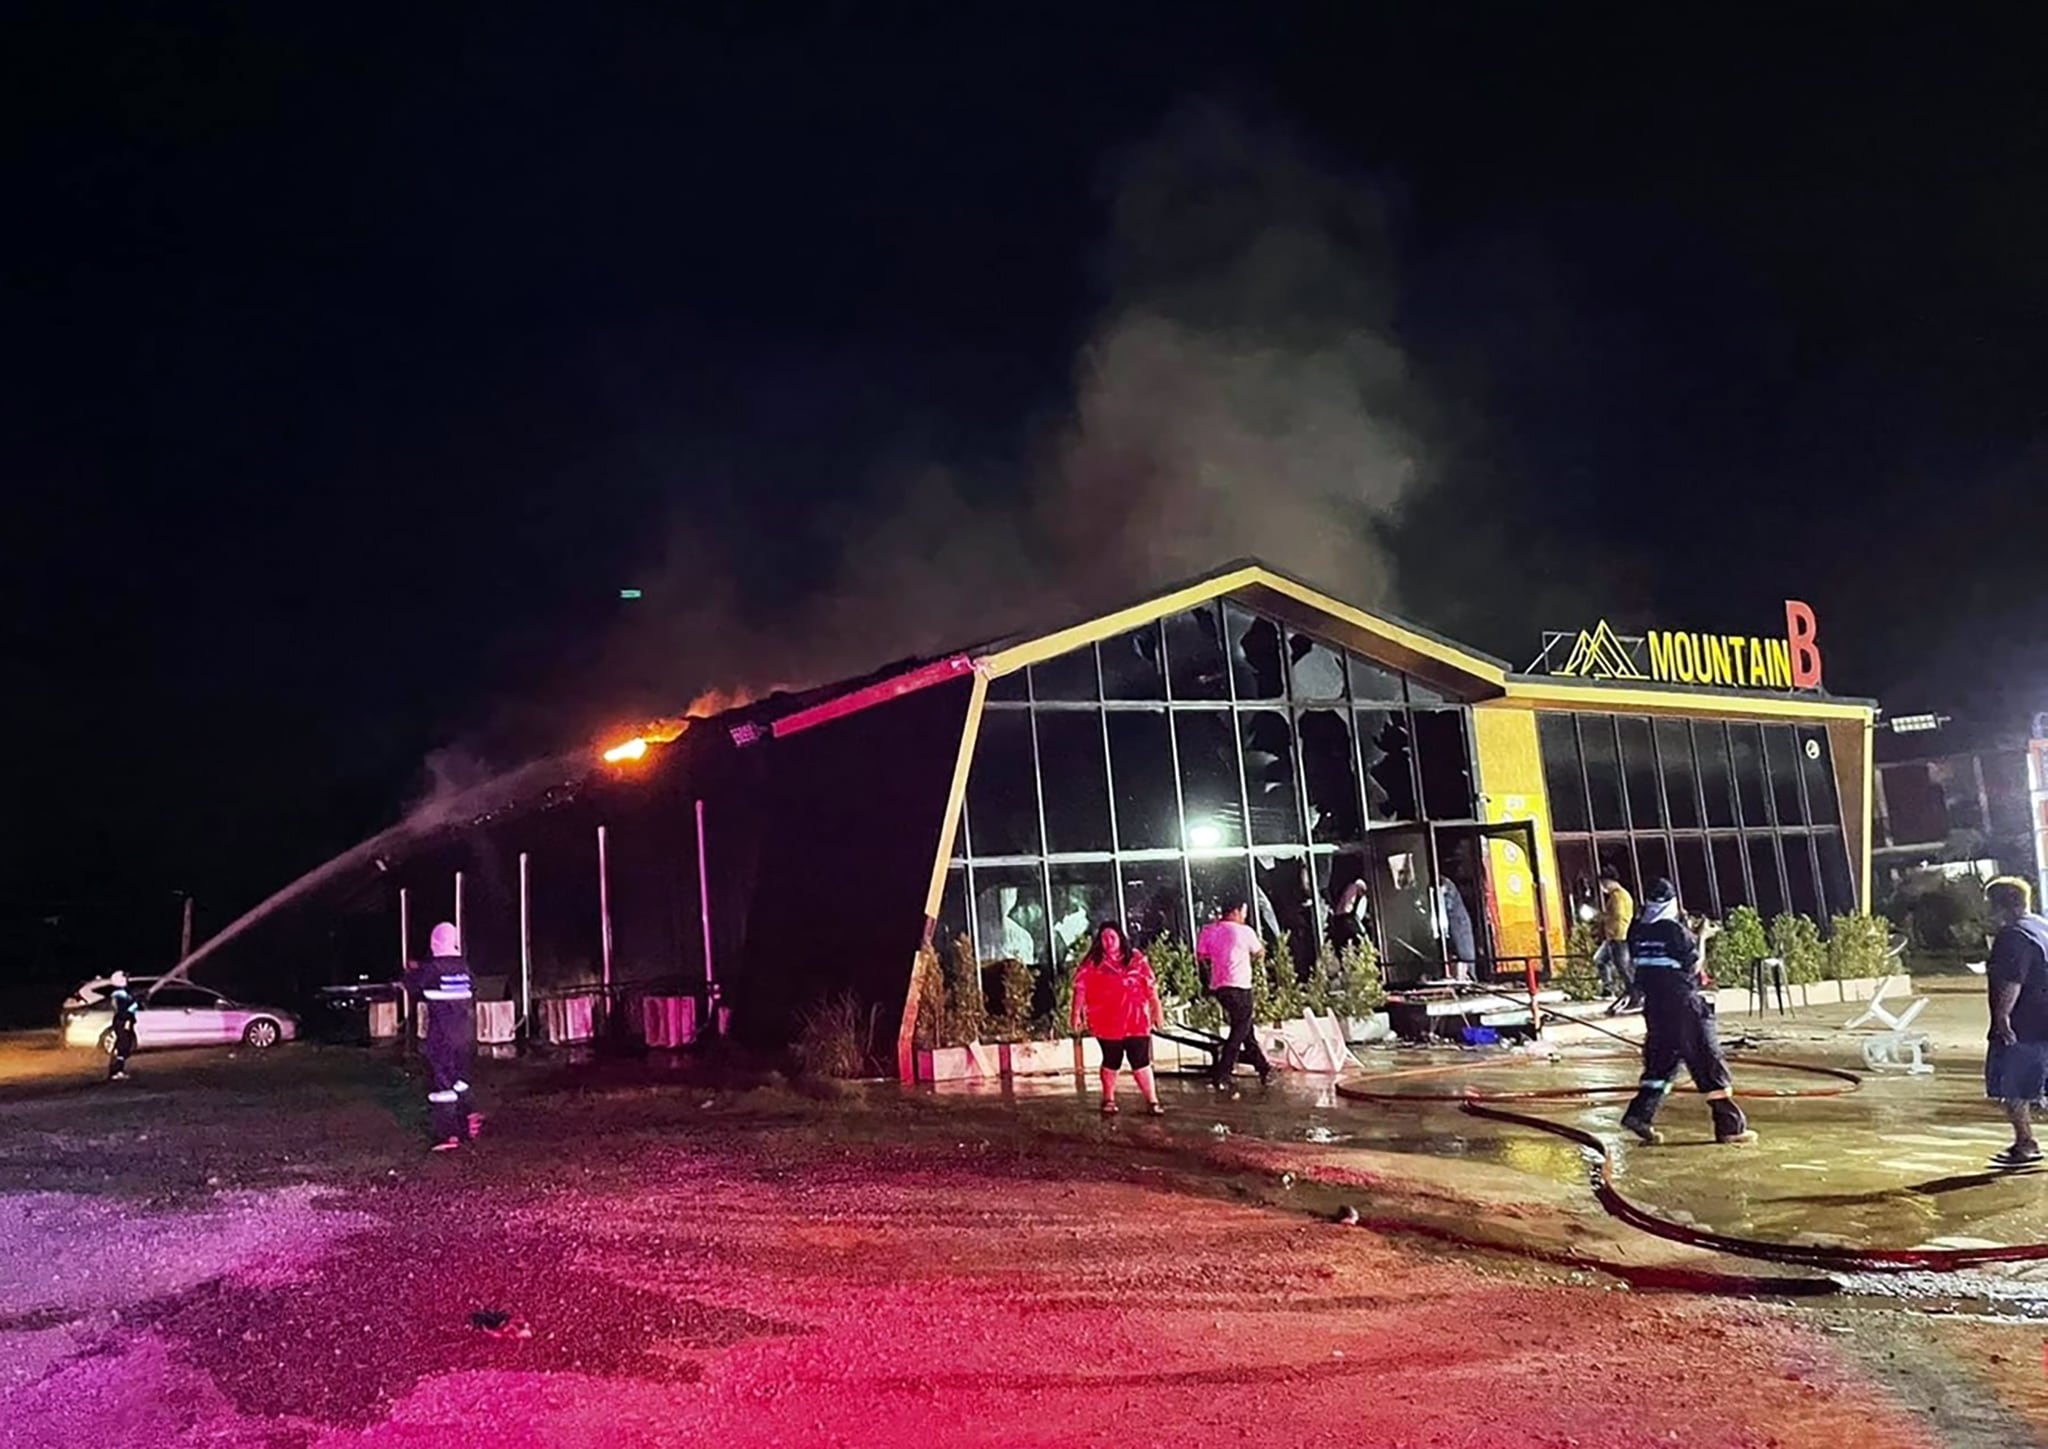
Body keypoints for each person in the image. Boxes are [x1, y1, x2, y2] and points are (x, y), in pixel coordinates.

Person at [1617, 879, 1756, 1146]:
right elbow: (1693, 966)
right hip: (1683, 1006)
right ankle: (1730, 1127)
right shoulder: (1675, 931)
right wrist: (1701, 936)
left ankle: (1640, 1115)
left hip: (1655, 1007)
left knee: (1661, 1064)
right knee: (1708, 1061)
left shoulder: (1638, 930)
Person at [1981, 877, 2048, 1169]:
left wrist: (2002, 1018)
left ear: (2001, 905)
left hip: (2025, 1023)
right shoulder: (2042, 927)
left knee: (2014, 1085)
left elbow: (2012, 979)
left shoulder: (2012, 935)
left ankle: (2025, 1142)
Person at [1069, 922, 1166, 1116]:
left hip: (1135, 1020)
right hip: (1107, 1021)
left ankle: (1152, 1100)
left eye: (1112, 937)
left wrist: (1157, 1010)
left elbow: (1150, 988)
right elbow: (1080, 988)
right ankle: (1109, 1098)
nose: (1108, 942)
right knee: (1112, 1060)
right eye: (1104, 938)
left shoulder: (1136, 959)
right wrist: (1076, 1012)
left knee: (1141, 1060)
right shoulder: (1092, 962)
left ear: (1121, 938)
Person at [405, 922, 479, 1151]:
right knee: (461, 1082)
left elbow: (410, 985)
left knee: (443, 1087)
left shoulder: (432, 969)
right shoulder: (465, 967)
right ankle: (469, 1118)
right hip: (466, 1036)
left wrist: (412, 969)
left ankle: (449, 1135)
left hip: (442, 1038)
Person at [1198, 900, 1272, 1093]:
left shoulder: (1209, 930)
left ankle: (1263, 1066)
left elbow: (1201, 955)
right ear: (1238, 911)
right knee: (1240, 1030)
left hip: (1220, 986)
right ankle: (1224, 1072)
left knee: (1245, 1028)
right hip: (1240, 985)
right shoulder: (1245, 931)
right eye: (1244, 912)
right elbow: (1259, 952)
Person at [1594, 865, 1636, 1013]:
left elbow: (1618, 916)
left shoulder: (1618, 896)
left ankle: (1633, 994)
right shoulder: (1618, 895)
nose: (1602, 887)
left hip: (1619, 937)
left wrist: (1603, 917)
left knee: (1623, 968)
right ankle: (1610, 989)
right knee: (1602, 960)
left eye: (1603, 883)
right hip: (1614, 936)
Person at [106, 972, 140, 1081]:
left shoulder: (121, 993)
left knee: (123, 1044)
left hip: (123, 1021)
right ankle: (116, 1071)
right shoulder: (120, 994)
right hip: (123, 1021)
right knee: (123, 1045)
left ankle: (117, 1070)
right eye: (125, 977)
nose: (127, 978)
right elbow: (124, 1011)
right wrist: (135, 1004)